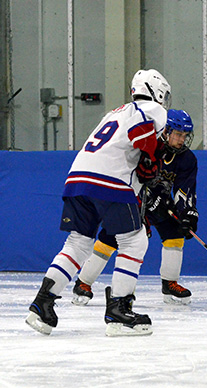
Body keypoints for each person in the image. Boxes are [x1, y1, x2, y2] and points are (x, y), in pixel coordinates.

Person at [26, 69, 172, 336]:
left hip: (77, 179)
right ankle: (119, 310)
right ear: (158, 92)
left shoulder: (115, 112)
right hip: (109, 181)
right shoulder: (153, 109)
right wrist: (152, 158)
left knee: (78, 243)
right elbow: (142, 136)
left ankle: (42, 304)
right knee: (135, 240)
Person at [71, 109, 198, 306]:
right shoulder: (149, 146)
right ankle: (83, 282)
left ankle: (170, 283)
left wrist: (187, 213)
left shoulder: (187, 159)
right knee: (111, 236)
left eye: (185, 135)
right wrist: (147, 198)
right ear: (166, 131)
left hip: (160, 204)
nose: (182, 139)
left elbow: (185, 189)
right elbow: (131, 176)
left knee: (174, 232)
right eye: (178, 134)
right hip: (132, 199)